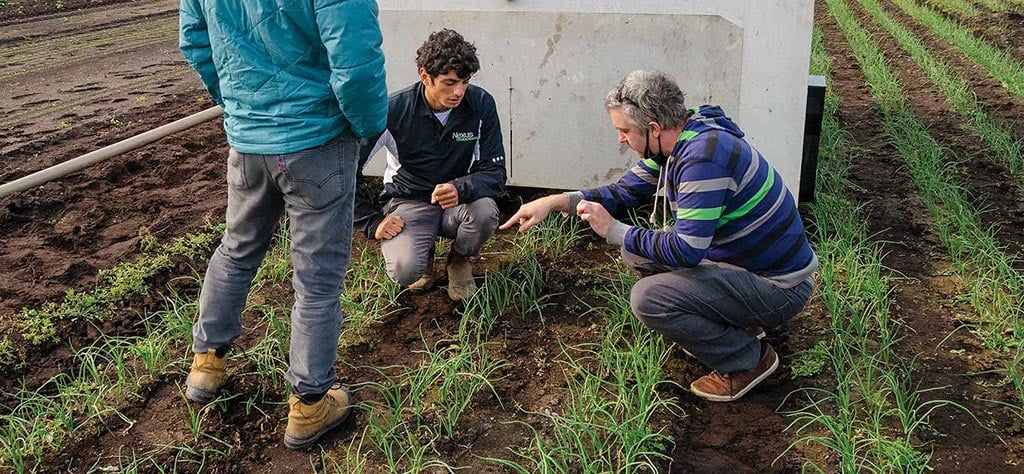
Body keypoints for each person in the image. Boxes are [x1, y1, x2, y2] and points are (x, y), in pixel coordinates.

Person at [501, 70, 816, 402]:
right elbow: (620, 192)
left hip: (778, 287)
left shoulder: (703, 159)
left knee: (648, 299)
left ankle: (747, 360)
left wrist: (614, 230)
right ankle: (735, 325)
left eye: (624, 131)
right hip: (746, 266)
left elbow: (687, 250)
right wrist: (554, 202)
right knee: (635, 252)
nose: (621, 140)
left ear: (652, 129)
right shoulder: (680, 142)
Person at [178, 0, 387, 449]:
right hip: (317, 140)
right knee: (316, 280)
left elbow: (195, 42)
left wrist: (241, 108)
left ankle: (206, 365)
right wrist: (367, 127)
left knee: (236, 249)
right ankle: (310, 403)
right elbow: (356, 62)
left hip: (249, 142)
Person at [354, 29, 506, 302]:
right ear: (425, 76)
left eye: (465, 82)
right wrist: (371, 221)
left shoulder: (480, 104)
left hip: (458, 202)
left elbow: (496, 173)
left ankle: (458, 260)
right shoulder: (394, 111)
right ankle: (422, 257)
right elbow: (346, 171)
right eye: (449, 82)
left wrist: (461, 187)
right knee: (405, 270)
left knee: (485, 212)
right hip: (408, 202)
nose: (458, 91)